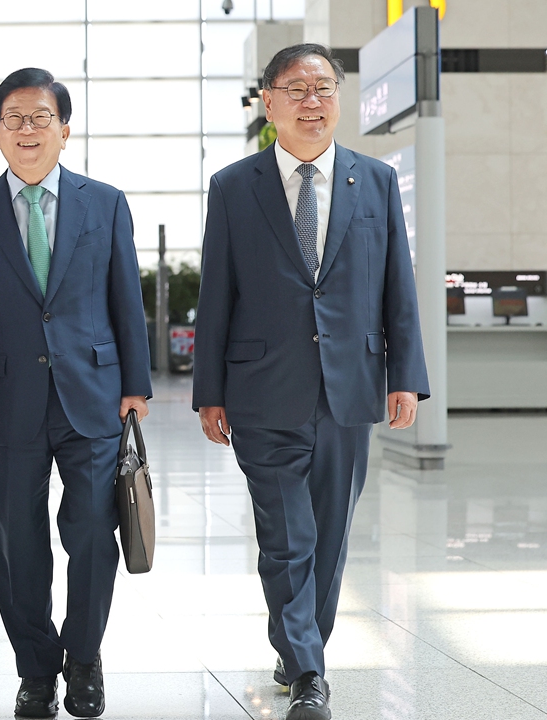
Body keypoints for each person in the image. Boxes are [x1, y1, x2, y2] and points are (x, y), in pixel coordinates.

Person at [192, 44, 429, 720]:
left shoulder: (374, 181)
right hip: (262, 389)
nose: (312, 100)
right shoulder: (235, 187)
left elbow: (397, 287)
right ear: (268, 102)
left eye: (324, 86)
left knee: (329, 532)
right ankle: (308, 672)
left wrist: (405, 375)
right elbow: (217, 296)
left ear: (339, 98)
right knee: (286, 536)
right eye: (296, 88)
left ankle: (302, 646)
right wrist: (210, 390)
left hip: (350, 385)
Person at [0, 68, 151, 719]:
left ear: (65, 128)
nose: (27, 130)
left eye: (40, 118)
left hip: (93, 396)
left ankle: (83, 658)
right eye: (14, 119)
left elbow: (126, 302)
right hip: (6, 402)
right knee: (16, 543)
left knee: (91, 533)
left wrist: (136, 384)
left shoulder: (104, 202)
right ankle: (36, 668)